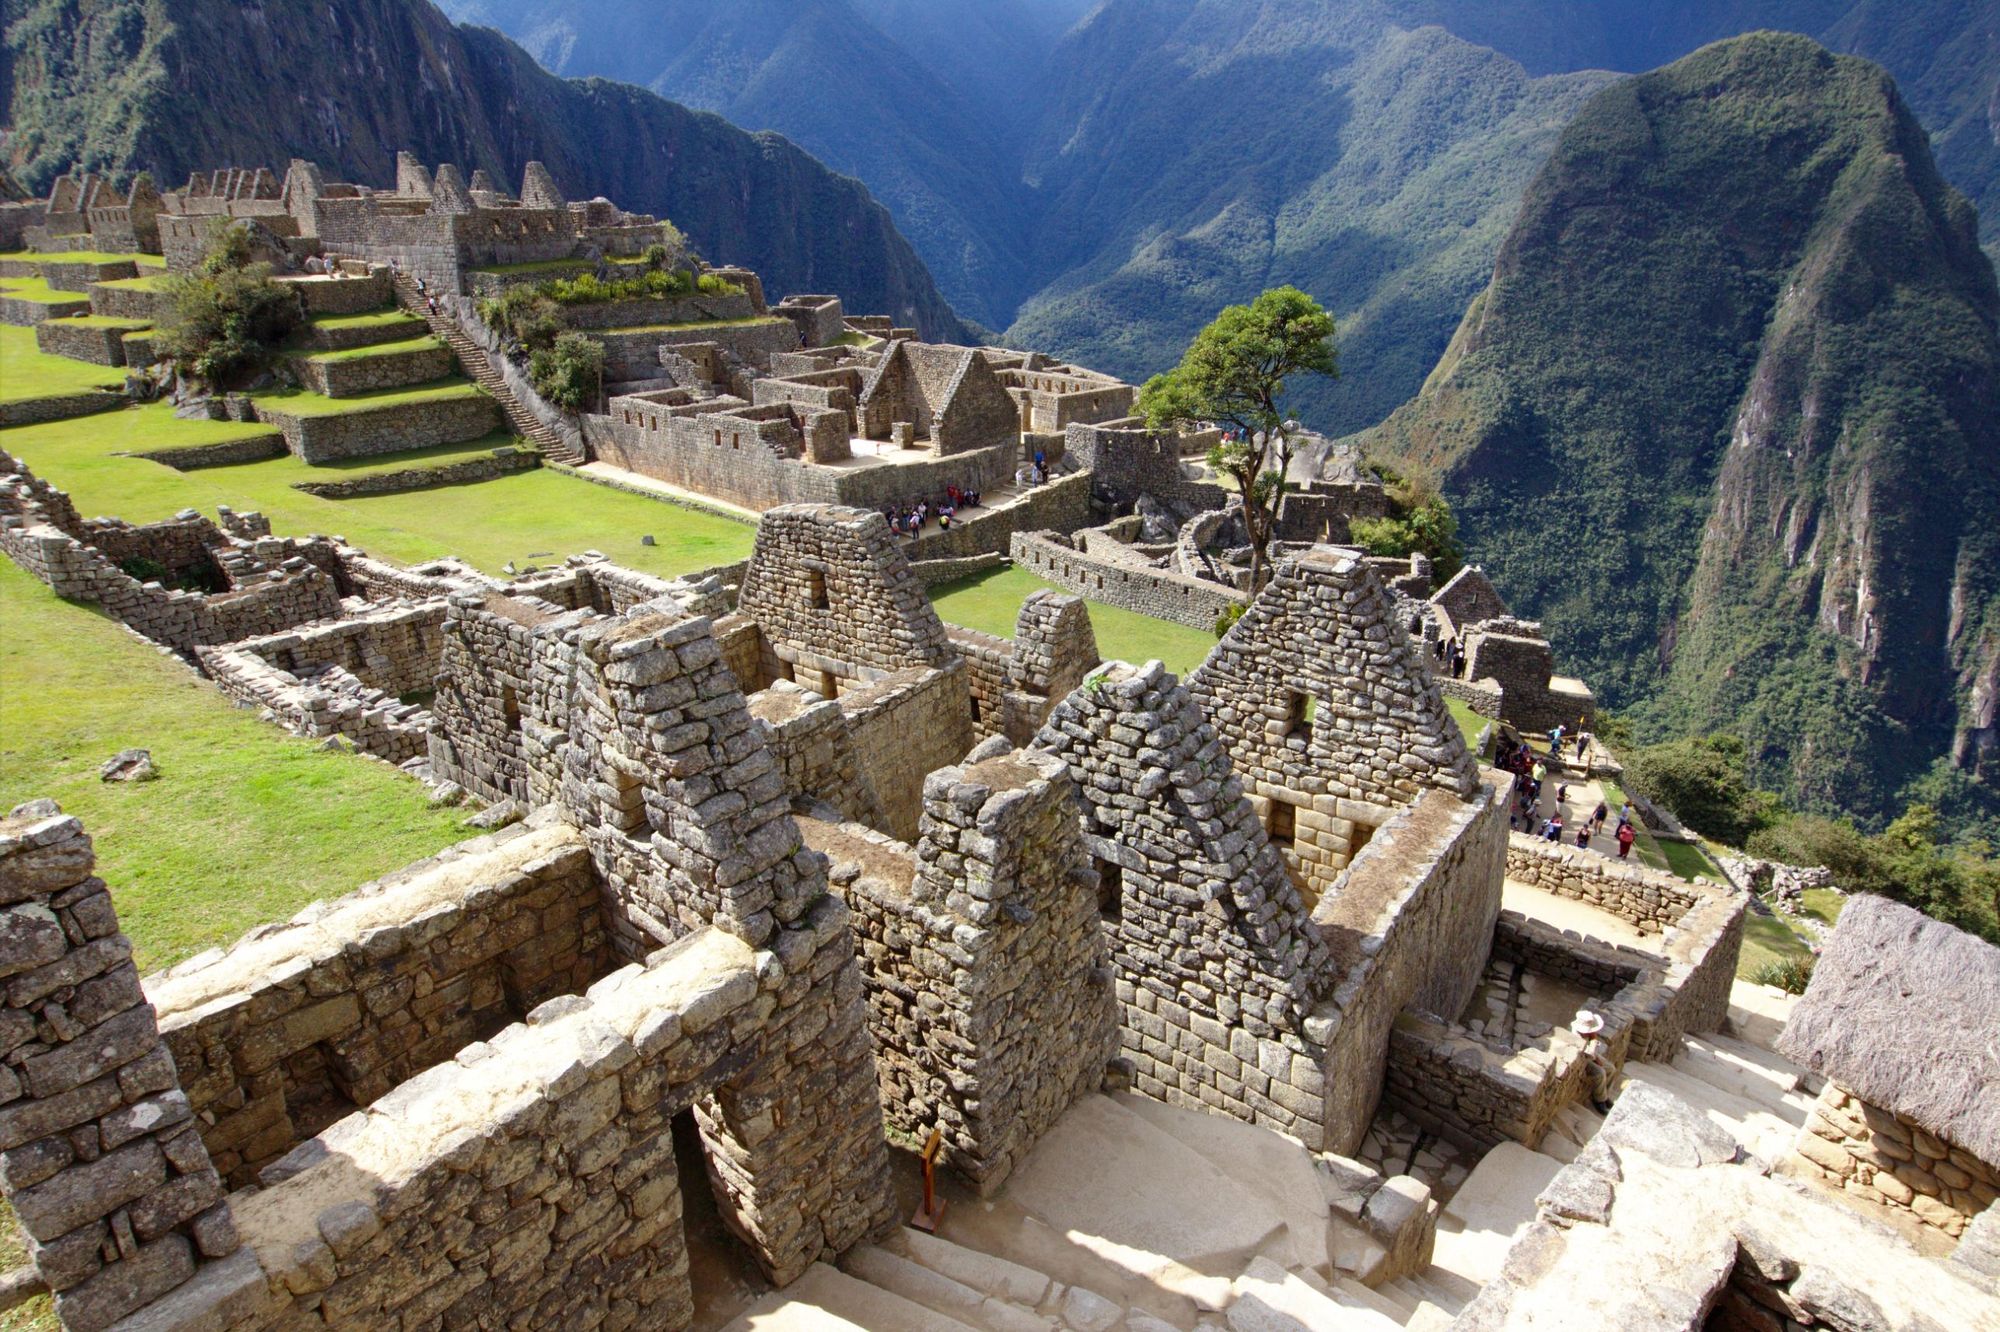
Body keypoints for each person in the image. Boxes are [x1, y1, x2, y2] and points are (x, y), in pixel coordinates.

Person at [1573, 1011, 1616, 1114]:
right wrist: (1597, 1059)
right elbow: (1590, 1054)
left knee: (1611, 1069)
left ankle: (1604, 1095)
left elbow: (1593, 1050)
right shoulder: (1576, 1037)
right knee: (1600, 1072)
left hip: (1591, 1055)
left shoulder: (1588, 1033)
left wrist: (1593, 1038)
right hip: (1582, 1059)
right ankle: (1599, 1100)